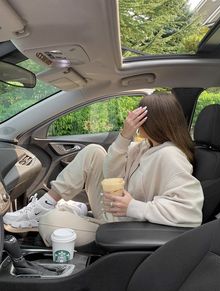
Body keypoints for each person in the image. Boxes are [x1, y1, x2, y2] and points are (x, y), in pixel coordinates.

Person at [3, 93, 204, 247]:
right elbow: (110, 170)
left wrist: (133, 207)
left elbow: (190, 212)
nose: (131, 120)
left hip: (126, 227)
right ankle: (45, 205)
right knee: (93, 151)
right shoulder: (147, 146)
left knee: (50, 222)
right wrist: (125, 136)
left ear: (150, 123)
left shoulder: (170, 156)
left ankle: (60, 212)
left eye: (136, 118)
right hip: (117, 212)